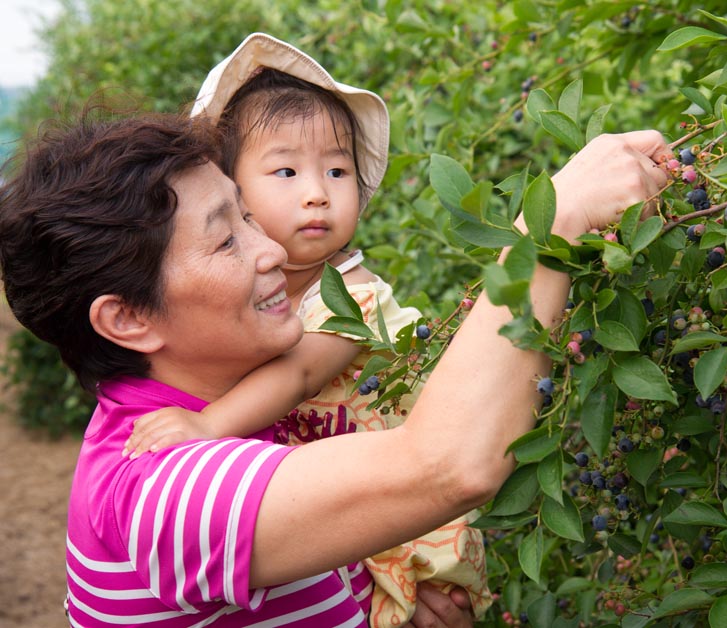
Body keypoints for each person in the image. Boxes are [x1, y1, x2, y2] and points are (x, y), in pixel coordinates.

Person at [0, 114, 669, 626]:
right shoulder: (162, 490)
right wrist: (552, 226)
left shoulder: (225, 417)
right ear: (128, 320)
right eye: (226, 238)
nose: (270, 250)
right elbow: (448, 464)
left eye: (248, 213)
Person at [121, 34, 492, 626]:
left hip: (397, 512)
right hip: (328, 510)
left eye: (338, 170)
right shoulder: (239, 308)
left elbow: (298, 374)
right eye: (287, 170)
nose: (318, 193)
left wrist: (206, 425)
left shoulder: (354, 296)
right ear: (230, 191)